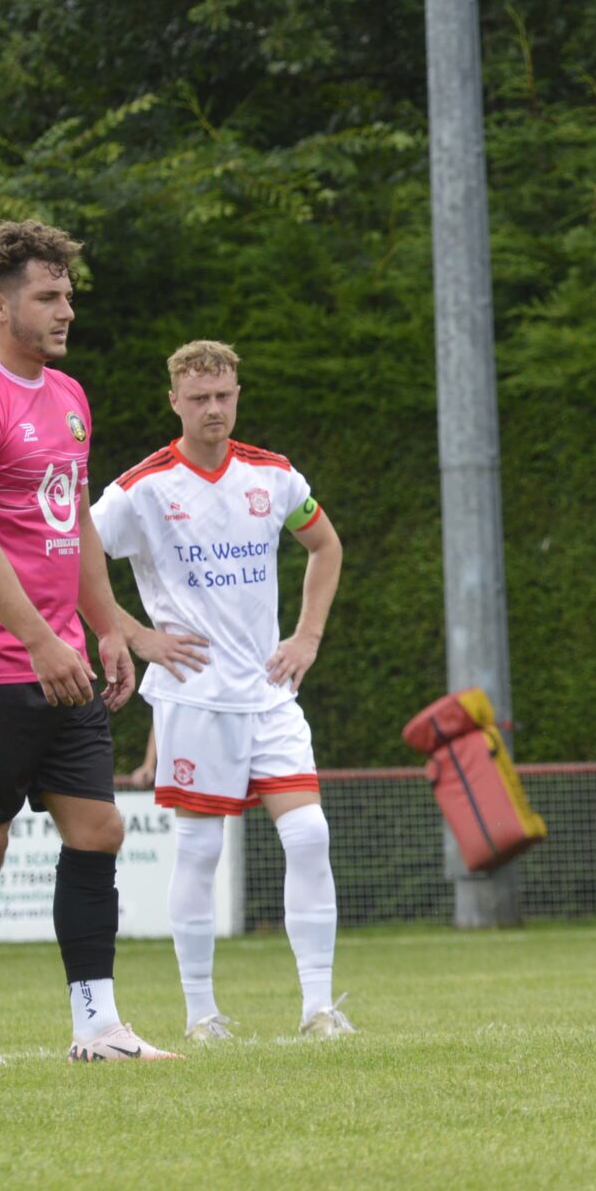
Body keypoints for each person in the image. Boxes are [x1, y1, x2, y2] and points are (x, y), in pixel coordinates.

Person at [0, 219, 199, 1067]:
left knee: (99, 829)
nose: (65, 308)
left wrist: (107, 627)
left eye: (67, 293)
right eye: (48, 296)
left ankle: (97, 1025)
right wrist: (45, 643)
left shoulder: (69, 397)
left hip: (65, 658)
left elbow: (69, 522)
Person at [94, 339, 350, 1041]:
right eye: (200, 398)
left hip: (269, 693)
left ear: (238, 394)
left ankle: (319, 1009)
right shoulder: (142, 488)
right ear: (174, 401)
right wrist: (136, 637)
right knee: (201, 849)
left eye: (224, 396)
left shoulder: (275, 476)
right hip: (194, 696)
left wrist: (307, 638)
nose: (214, 409)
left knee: (308, 833)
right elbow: (71, 561)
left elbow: (326, 547)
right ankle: (202, 1014)